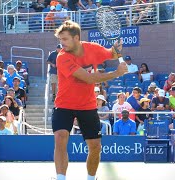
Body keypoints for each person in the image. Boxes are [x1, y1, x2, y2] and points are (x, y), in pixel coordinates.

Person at [52, 20, 127, 180]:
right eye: (60, 40)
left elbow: (110, 54)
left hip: (87, 105)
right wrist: (116, 73)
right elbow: (88, 78)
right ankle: (60, 178)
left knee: (95, 146)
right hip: (64, 104)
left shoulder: (92, 48)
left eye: (65, 39)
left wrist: (115, 50)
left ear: (76, 38)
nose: (61, 43)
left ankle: (91, 178)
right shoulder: (62, 57)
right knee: (60, 137)